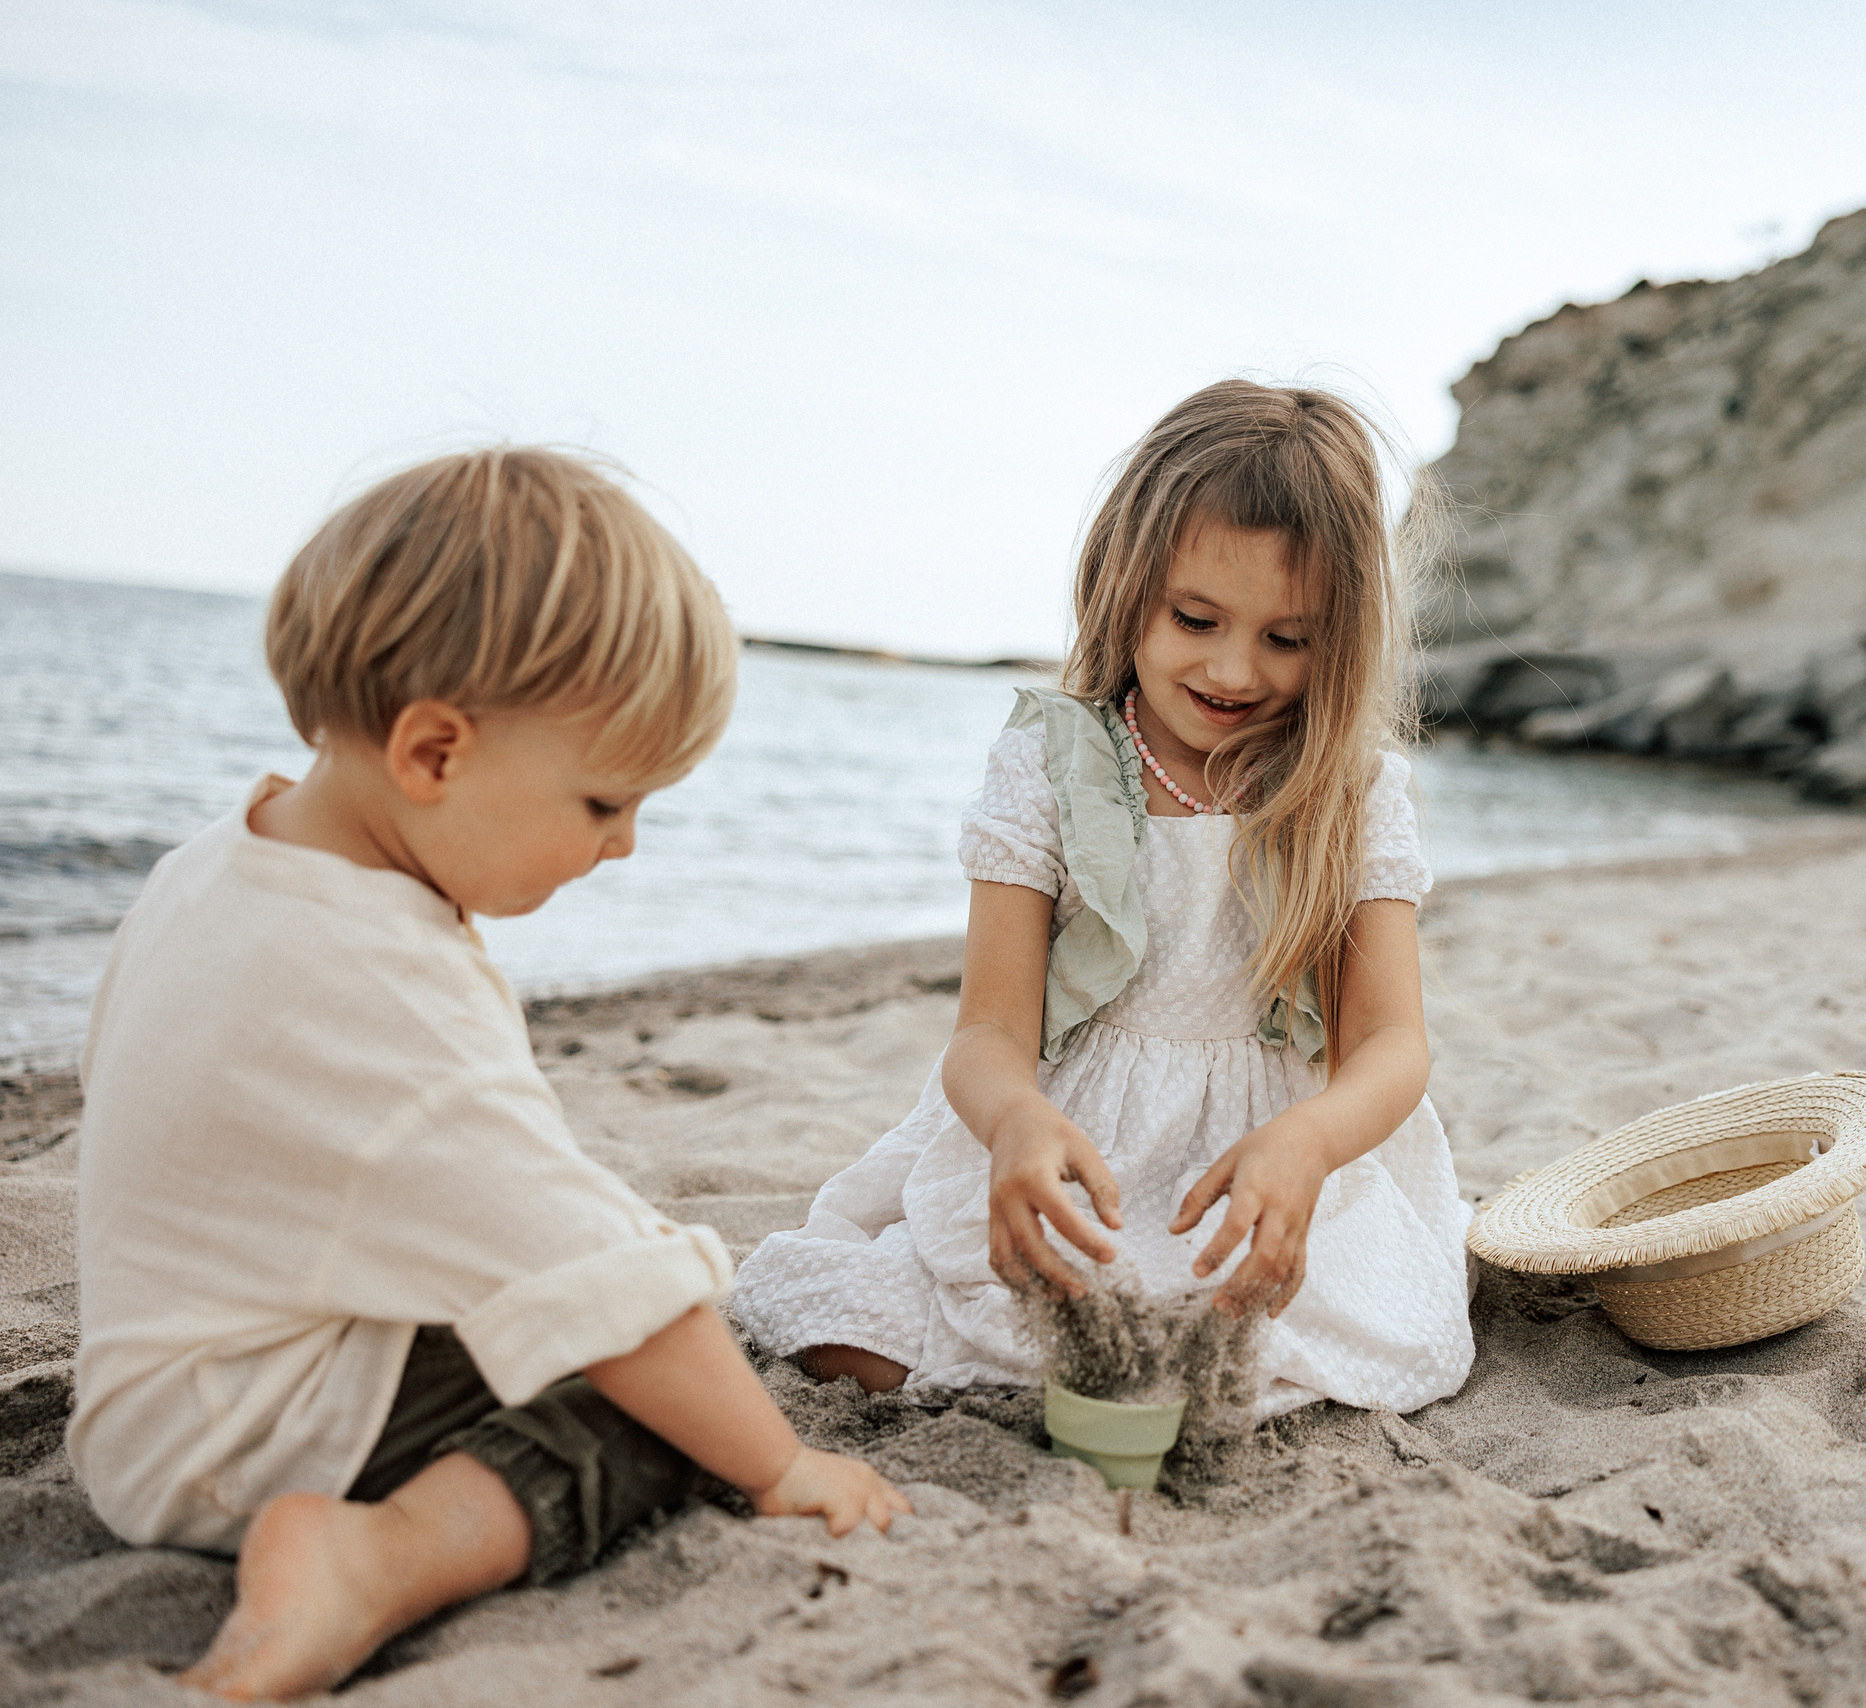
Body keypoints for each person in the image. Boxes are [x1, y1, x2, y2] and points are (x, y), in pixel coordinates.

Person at [68, 448, 909, 1704]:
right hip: (242, 1443)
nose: (624, 846)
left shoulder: (217, 862)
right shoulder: (386, 993)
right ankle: (374, 1560)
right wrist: (783, 1469)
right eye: (603, 800)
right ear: (434, 753)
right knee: (665, 1401)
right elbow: (619, 1296)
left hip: (154, 1384)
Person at [731, 380, 1474, 1418]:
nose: (1231, 667)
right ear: (1125, 584)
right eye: (1196, 617)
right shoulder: (1050, 762)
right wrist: (1014, 1124)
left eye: (1287, 638)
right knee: (850, 1325)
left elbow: (1392, 1045)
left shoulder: (1348, 793)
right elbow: (986, 1034)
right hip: (1081, 1149)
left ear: (1341, 637)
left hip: (1267, 1161)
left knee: (1294, 1355)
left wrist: (1308, 1143)